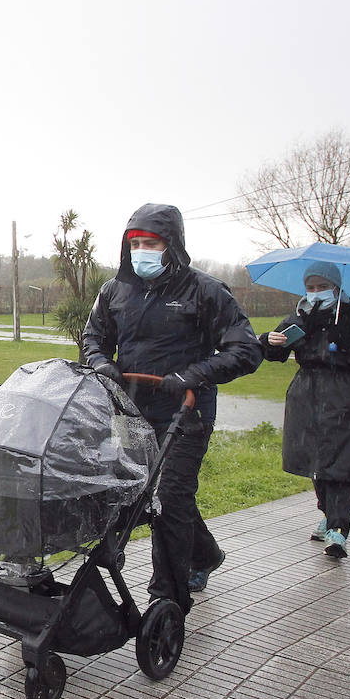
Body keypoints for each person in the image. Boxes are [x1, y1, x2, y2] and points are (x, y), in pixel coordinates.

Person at [83, 203, 262, 614]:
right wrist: (101, 363)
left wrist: (193, 374)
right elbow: (93, 337)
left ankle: (167, 596)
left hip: (186, 410)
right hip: (131, 409)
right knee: (136, 491)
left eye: (151, 243)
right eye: (136, 243)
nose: (142, 251)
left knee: (171, 496)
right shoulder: (114, 291)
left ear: (172, 246)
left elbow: (245, 350)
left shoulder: (206, 291)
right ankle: (205, 554)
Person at [259, 260, 350, 559]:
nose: (317, 293)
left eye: (323, 287)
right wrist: (269, 341)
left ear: (337, 288)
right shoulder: (299, 318)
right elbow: (273, 353)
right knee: (315, 461)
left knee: (344, 464)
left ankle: (338, 530)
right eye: (311, 288)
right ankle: (328, 512)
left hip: (348, 399)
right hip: (307, 397)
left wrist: (345, 344)